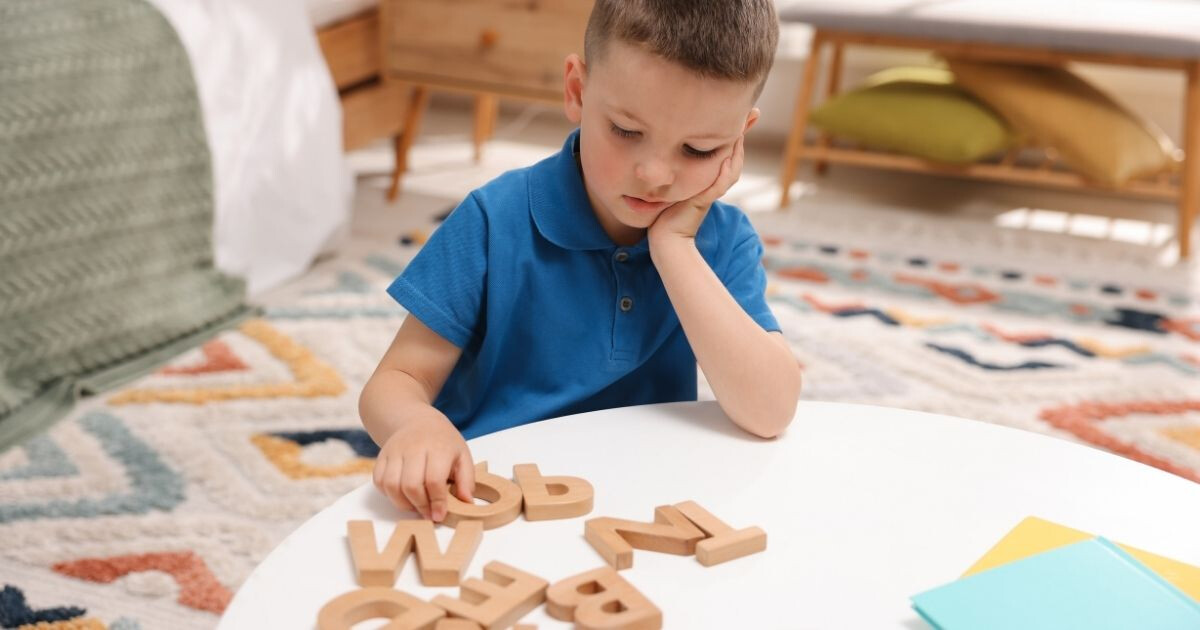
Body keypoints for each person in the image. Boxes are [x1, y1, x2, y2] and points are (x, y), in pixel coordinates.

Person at [360, 0, 802, 523]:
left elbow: (770, 411)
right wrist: (415, 426)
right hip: (491, 501)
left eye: (699, 150)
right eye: (627, 131)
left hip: (637, 505)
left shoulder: (723, 242)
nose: (655, 173)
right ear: (577, 90)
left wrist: (674, 246)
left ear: (739, 139)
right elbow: (394, 382)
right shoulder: (492, 219)